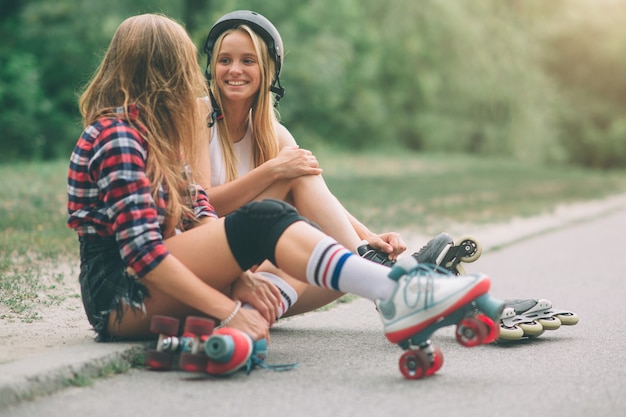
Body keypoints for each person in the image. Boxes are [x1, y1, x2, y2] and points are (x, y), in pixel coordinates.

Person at [66, 13, 497, 359]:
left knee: (324, 263)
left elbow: (199, 216)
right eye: (188, 68)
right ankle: (397, 292)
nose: (196, 80)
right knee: (263, 222)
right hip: (120, 298)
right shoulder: (118, 136)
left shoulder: (156, 135)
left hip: (156, 279)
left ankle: (393, 290)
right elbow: (144, 258)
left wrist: (239, 282)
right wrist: (230, 309)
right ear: (167, 74)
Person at [197, 10, 580, 340]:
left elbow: (319, 196)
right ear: (211, 65)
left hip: (251, 277)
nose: (234, 70)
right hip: (213, 265)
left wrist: (369, 237)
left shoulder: (272, 132)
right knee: (301, 182)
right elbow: (201, 206)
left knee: (337, 263)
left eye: (247, 60)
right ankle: (396, 289)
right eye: (225, 59)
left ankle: (419, 293)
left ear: (267, 70)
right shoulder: (199, 116)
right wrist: (273, 169)